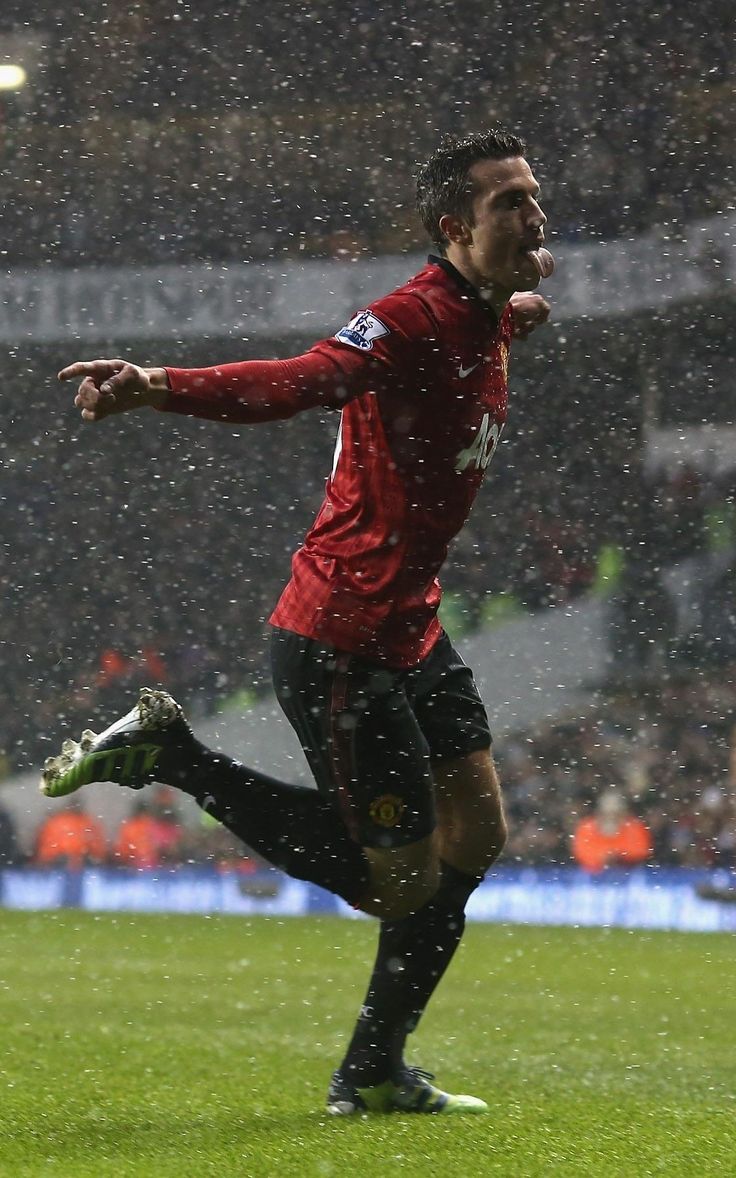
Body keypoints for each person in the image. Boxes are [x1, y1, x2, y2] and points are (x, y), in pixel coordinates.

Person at [43, 129, 553, 1115]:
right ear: (453, 227)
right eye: (506, 203)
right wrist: (158, 385)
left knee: (477, 828)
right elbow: (299, 377)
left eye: (533, 195)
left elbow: (494, 311)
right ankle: (171, 752)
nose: (532, 214)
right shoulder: (405, 320)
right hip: (341, 634)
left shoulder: (486, 309)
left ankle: (372, 1068)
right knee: (393, 883)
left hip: (411, 620)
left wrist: (513, 304)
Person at [572, 789, 652, 874]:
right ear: (599, 812)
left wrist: (619, 859)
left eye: (616, 813)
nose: (611, 817)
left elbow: (641, 852)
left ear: (624, 812)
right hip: (591, 879)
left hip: (631, 877)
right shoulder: (586, 828)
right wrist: (603, 859)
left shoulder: (635, 827)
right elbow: (581, 854)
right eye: (606, 813)